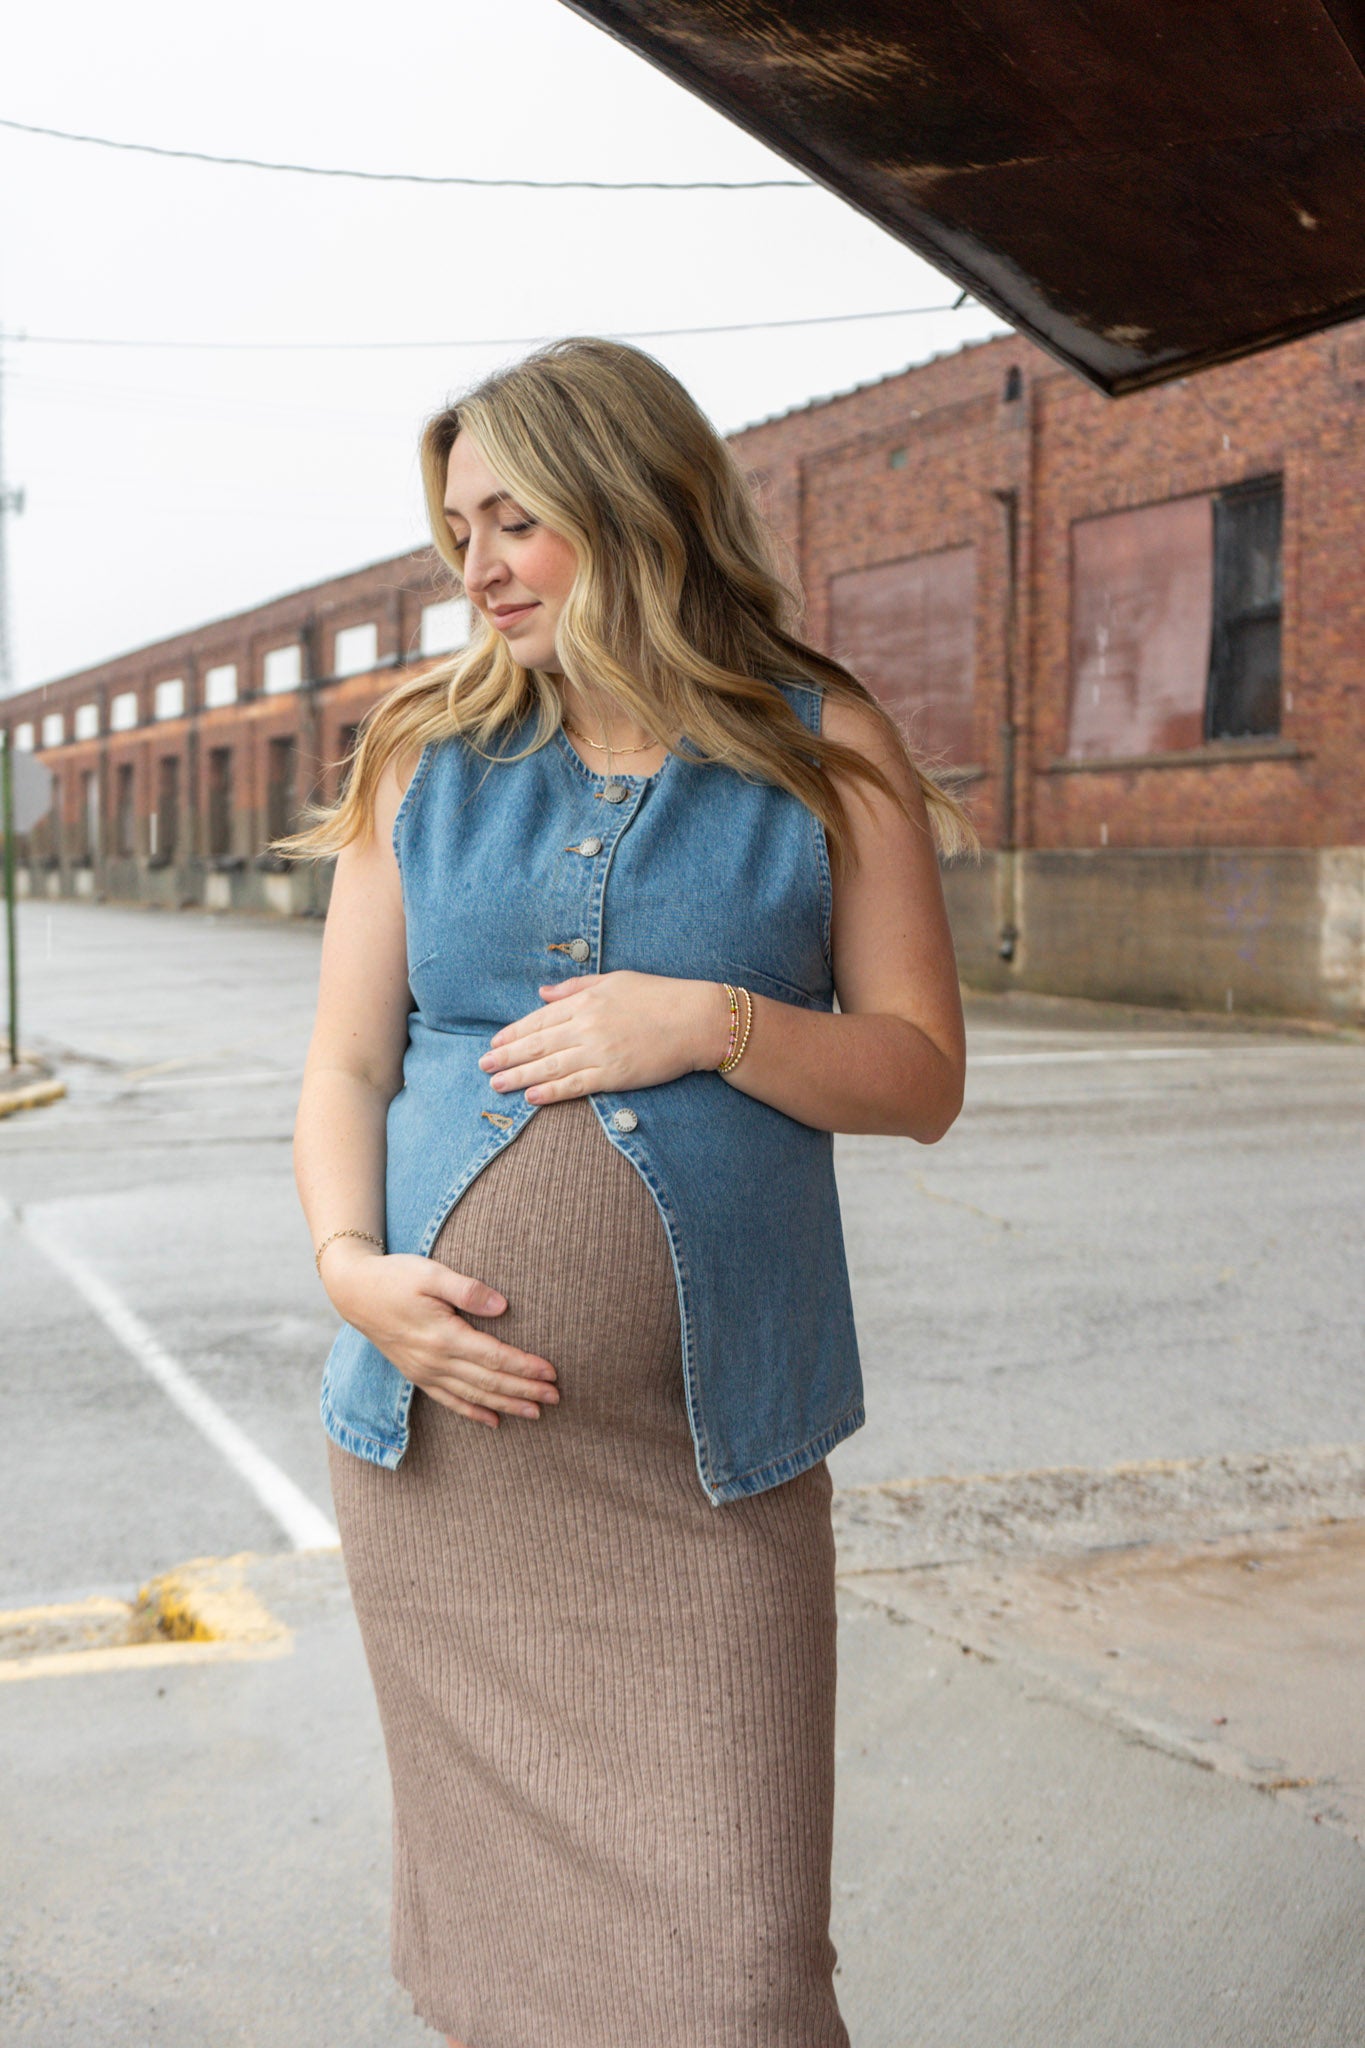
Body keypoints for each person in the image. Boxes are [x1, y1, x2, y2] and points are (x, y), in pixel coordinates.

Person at [284, 336, 971, 2048]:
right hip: (451, 1465)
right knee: (502, 1970)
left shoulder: (827, 746)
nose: (479, 567)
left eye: (516, 519)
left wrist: (716, 1021)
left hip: (705, 1469)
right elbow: (347, 1069)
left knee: (738, 1978)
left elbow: (920, 1078)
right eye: (459, 530)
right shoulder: (421, 753)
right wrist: (350, 1269)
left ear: (633, 499)